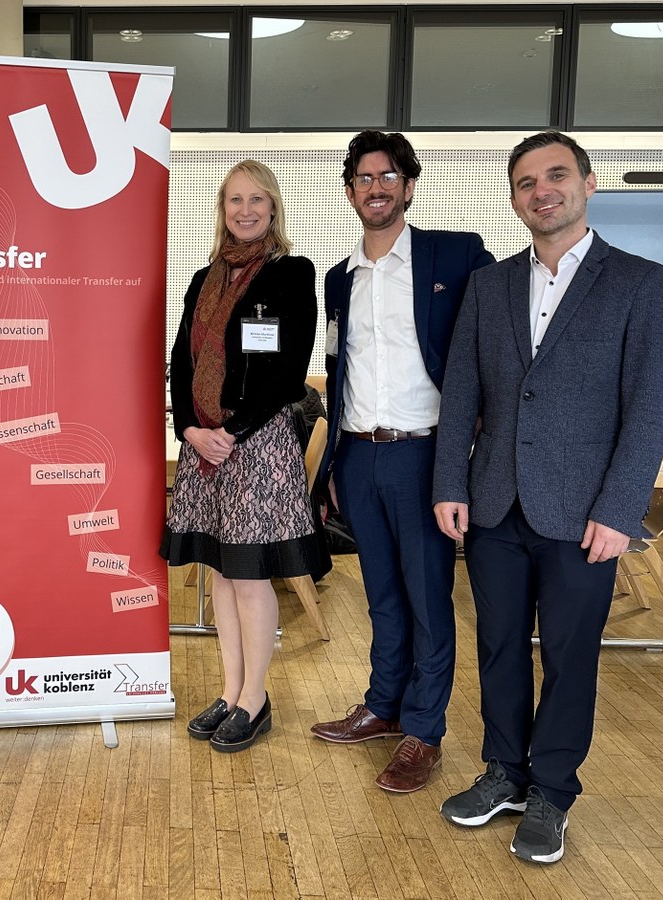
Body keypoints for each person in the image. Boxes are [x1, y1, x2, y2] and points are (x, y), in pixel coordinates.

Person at [432, 131, 663, 864]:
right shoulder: (489, 284)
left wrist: (619, 508)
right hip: (494, 505)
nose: (541, 191)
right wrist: (450, 482)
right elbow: (462, 393)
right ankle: (503, 773)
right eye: (524, 182)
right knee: (498, 646)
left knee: (569, 656)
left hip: (584, 514)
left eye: (556, 175)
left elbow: (652, 401)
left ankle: (552, 791)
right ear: (512, 199)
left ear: (587, 183)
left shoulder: (640, 281)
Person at [310, 131, 494, 793]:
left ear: (408, 185)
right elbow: (339, 372)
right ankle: (382, 706)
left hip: (427, 457)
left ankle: (423, 730)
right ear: (350, 190)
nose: (376, 187)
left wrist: (480, 430)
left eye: (388, 176)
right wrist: (331, 465)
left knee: (426, 600)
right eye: (363, 178)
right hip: (359, 456)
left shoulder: (455, 254)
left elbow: (495, 341)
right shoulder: (338, 279)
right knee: (381, 598)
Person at [161, 160, 321, 753]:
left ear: (273, 208)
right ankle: (230, 691)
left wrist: (233, 430)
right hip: (205, 446)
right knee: (222, 574)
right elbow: (180, 362)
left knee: (251, 578)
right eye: (235, 201)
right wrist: (190, 430)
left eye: (257, 200)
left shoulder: (291, 274)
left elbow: (288, 369)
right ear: (222, 209)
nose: (246, 210)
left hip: (256, 446)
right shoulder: (203, 280)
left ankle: (255, 696)